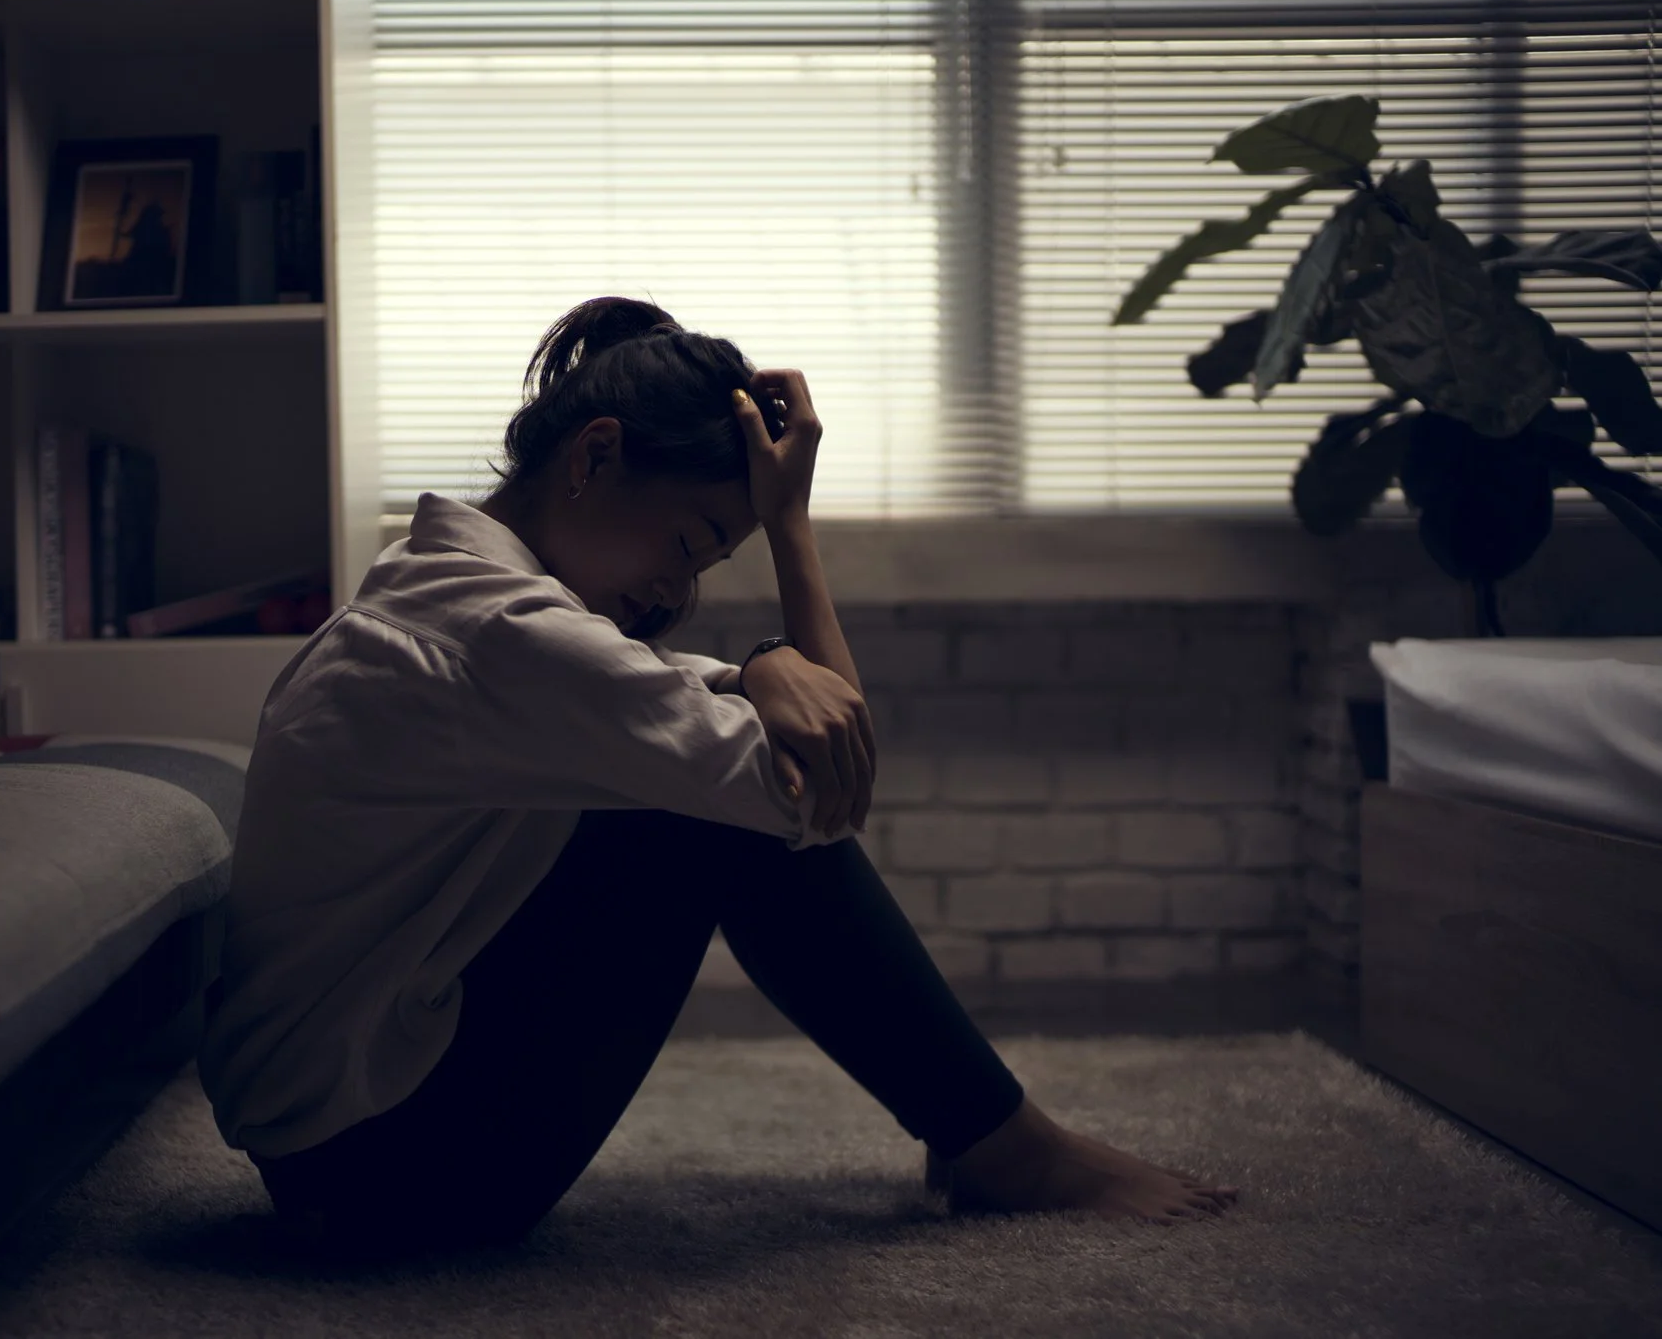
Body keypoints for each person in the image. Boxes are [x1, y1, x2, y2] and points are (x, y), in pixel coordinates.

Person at [198, 297, 1241, 1258]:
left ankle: (982, 1132)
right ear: (593, 455)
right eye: (688, 542)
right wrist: (789, 530)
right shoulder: (498, 631)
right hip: (385, 1183)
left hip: (330, 1151)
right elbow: (824, 788)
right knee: (723, 817)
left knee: (685, 785)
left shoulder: (435, 586)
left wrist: (754, 668)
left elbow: (659, 698)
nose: (673, 587)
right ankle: (1007, 1149)